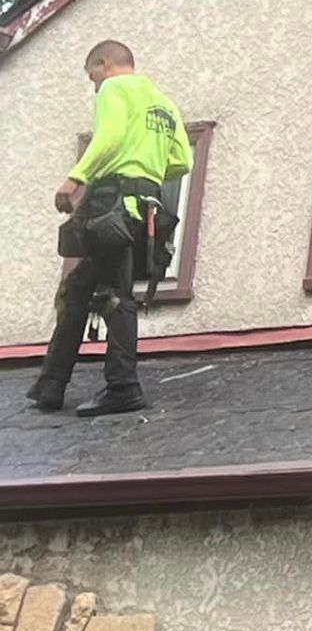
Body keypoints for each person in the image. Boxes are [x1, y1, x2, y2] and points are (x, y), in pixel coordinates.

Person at [27, 40, 193, 417]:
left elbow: (109, 136)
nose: (94, 85)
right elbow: (182, 161)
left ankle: (123, 387)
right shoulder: (164, 104)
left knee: (115, 296)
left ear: (104, 64)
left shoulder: (115, 89)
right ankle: (51, 385)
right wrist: (145, 171)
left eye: (93, 76)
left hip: (112, 202)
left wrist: (75, 178)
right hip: (145, 209)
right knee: (79, 288)